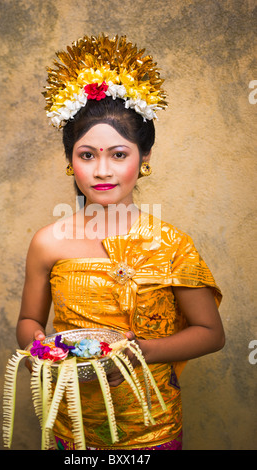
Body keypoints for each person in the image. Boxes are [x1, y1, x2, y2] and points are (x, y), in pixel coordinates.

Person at [16, 34, 225, 450]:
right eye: (87, 155)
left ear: (143, 159)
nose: (102, 170)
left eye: (119, 154)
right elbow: (29, 322)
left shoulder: (171, 243)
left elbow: (210, 333)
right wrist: (43, 355)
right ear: (69, 161)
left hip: (152, 428)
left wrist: (138, 354)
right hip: (71, 426)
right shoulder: (48, 242)